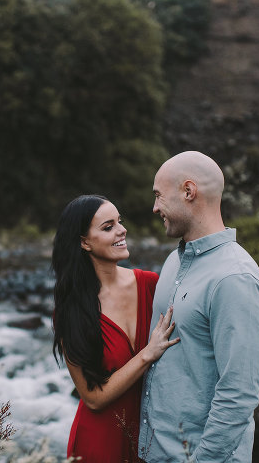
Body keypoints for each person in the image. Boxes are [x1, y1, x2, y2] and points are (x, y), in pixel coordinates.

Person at [139, 151, 259, 462]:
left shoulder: (235, 279)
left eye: (159, 196)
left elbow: (239, 395)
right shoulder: (174, 260)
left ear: (189, 192)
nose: (155, 207)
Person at [52, 194, 180, 462]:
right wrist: (147, 353)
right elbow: (93, 398)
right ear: (84, 242)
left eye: (119, 222)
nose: (122, 230)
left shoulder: (150, 284)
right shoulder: (71, 310)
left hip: (155, 435)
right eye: (108, 227)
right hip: (100, 442)